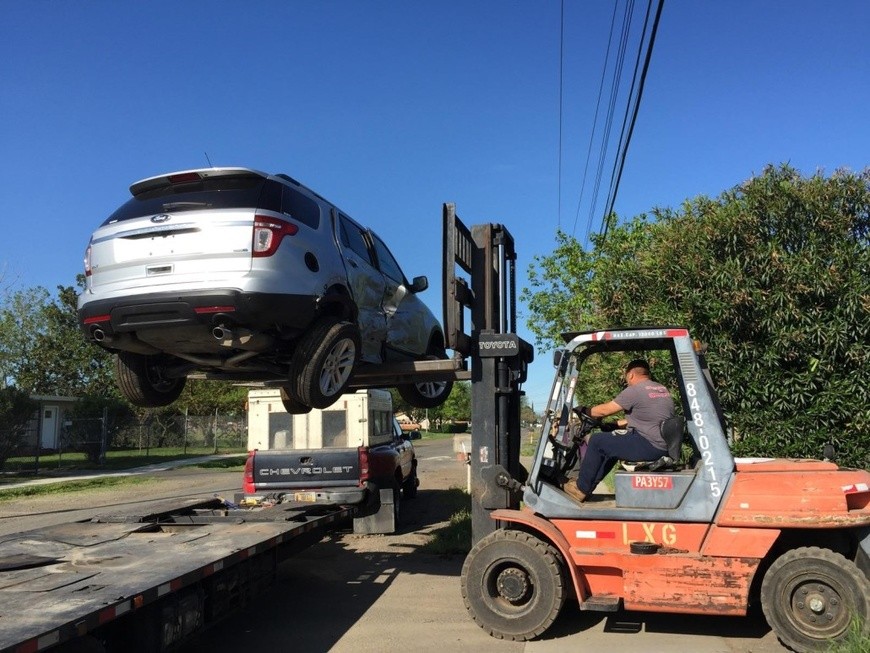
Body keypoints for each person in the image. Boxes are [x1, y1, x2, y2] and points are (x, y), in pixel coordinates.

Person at [563, 359, 674, 503]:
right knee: (611, 446)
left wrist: (584, 410)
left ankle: (581, 488)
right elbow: (648, 418)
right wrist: (614, 425)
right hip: (658, 443)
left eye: (626, 377)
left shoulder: (635, 390)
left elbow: (603, 411)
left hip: (649, 444)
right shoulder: (660, 389)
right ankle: (587, 487)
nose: (627, 380)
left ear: (631, 375)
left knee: (597, 441)